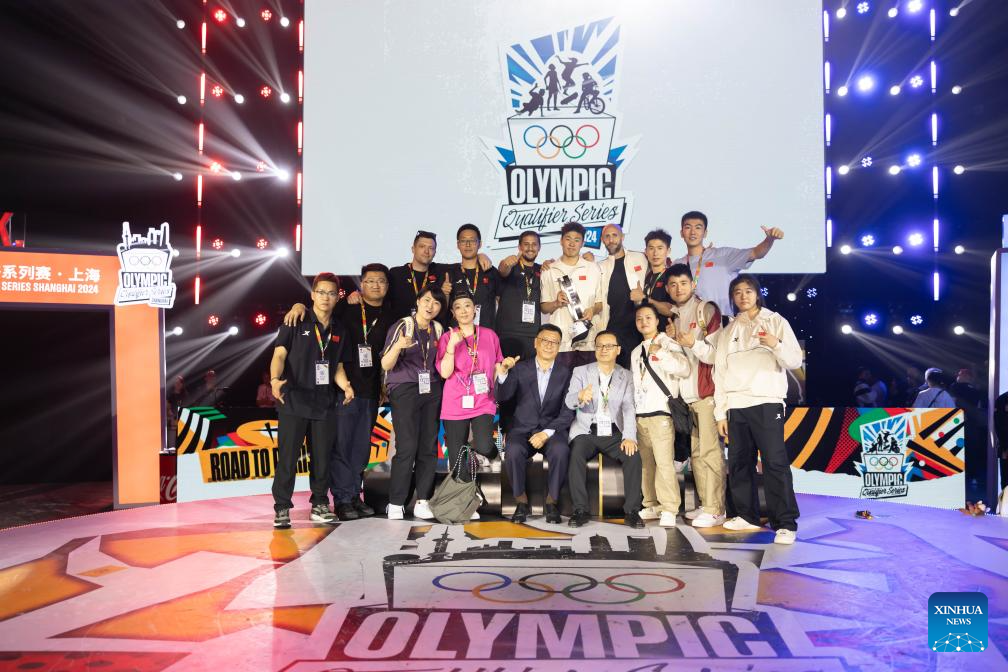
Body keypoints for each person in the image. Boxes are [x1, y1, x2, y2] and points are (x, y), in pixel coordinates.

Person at [283, 263, 394, 520]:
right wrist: (299, 306)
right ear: (361, 284)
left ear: (388, 286)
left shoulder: (390, 315)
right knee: (342, 446)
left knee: (361, 449)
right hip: (343, 389)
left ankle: (354, 495)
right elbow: (319, 309)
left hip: (370, 391)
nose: (375, 285)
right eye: (370, 280)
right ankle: (342, 499)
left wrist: (382, 386)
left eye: (381, 281)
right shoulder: (346, 307)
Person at [713, 274, 803, 545]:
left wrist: (775, 344)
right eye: (738, 292)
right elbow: (719, 372)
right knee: (739, 463)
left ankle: (785, 523)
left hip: (766, 401)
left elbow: (794, 360)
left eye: (748, 291)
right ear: (732, 297)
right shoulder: (728, 330)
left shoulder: (775, 321)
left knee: (775, 463)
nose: (743, 296)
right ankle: (746, 515)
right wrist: (721, 412)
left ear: (757, 293)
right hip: (736, 405)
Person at [269, 273, 354, 528]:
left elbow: (337, 366)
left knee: (322, 459)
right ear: (313, 295)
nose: (326, 297)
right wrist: (274, 379)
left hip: (324, 403)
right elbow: (279, 355)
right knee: (288, 458)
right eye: (321, 292)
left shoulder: (340, 330)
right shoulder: (296, 320)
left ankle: (319, 504)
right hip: (293, 400)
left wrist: (346, 386)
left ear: (337, 297)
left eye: (331, 293)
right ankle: (282, 507)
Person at [665, 263, 728, 529]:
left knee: (711, 453)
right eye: (673, 284)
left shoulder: (706, 310)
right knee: (698, 454)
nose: (678, 288)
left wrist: (692, 343)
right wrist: (673, 341)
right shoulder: (676, 316)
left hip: (707, 394)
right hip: (689, 397)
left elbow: (716, 355)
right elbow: (684, 360)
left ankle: (716, 509)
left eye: (683, 283)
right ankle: (706, 503)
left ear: (692, 284)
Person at [436, 290, 505, 519]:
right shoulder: (448, 337)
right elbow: (445, 373)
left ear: (475, 309)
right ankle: (469, 500)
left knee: (484, 444)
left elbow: (497, 364)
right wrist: (451, 347)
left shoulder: (489, 335)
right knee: (457, 457)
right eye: (458, 307)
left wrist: (502, 372)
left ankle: (492, 455)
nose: (464, 311)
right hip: (455, 400)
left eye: (468, 305)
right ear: (453, 313)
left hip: (483, 398)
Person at [496, 324, 575, 524]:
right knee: (513, 450)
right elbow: (504, 397)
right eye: (545, 340)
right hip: (522, 428)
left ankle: (552, 503)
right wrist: (503, 373)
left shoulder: (566, 373)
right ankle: (521, 502)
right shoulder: (520, 368)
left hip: (551, 429)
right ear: (535, 343)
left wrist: (546, 433)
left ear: (559, 346)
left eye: (554, 342)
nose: (549, 345)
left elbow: (568, 411)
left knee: (560, 451)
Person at [565, 330, 644, 528]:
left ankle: (632, 511)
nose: (603, 349)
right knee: (575, 454)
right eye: (599, 345)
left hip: (614, 431)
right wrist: (580, 397)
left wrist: (629, 436)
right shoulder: (581, 371)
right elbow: (569, 400)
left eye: (609, 346)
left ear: (618, 350)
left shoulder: (626, 375)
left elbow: (628, 407)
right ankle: (580, 510)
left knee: (633, 456)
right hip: (586, 430)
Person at [381, 285, 446, 520]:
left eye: (436, 303)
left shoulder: (438, 329)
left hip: (432, 388)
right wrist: (398, 346)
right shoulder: (403, 326)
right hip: (405, 388)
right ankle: (396, 502)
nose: (431, 306)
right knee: (407, 445)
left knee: (428, 446)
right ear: (418, 301)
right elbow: (386, 364)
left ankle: (423, 500)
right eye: (427, 300)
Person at [630, 304, 689, 527]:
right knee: (646, 464)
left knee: (664, 462)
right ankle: (651, 503)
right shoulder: (636, 351)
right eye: (639, 318)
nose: (643, 322)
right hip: (640, 413)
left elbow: (684, 369)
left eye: (648, 317)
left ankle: (670, 507)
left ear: (657, 321)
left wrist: (661, 353)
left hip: (661, 412)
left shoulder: (668, 343)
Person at [673, 210, 785, 318]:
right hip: (689, 325)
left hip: (722, 324)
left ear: (705, 233)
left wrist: (769, 239)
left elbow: (756, 253)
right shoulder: (677, 264)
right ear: (682, 233)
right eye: (688, 227)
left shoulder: (723, 256)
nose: (693, 232)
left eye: (698, 227)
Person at [540, 221, 604, 369]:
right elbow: (544, 307)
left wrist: (592, 310)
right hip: (561, 341)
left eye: (577, 240)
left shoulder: (593, 268)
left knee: (587, 381)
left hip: (587, 340)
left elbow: (600, 303)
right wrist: (556, 303)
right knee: (561, 382)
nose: (572, 244)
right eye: (568, 239)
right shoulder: (550, 270)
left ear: (583, 243)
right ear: (561, 241)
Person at [597, 223, 648, 368]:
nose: (611, 239)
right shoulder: (600, 266)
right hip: (612, 329)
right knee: (615, 373)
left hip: (637, 328)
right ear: (602, 240)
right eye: (607, 236)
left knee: (639, 372)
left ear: (622, 237)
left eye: (615, 235)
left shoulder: (640, 258)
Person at [497, 230, 544, 360]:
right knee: (507, 371)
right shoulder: (511, 266)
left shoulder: (542, 270)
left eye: (534, 244)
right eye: (526, 244)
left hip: (533, 334)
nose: (530, 248)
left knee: (529, 372)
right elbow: (503, 270)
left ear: (539, 247)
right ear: (519, 247)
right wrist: (505, 263)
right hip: (509, 334)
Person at [445, 224, 501, 329]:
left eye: (472, 240)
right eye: (463, 241)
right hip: (458, 335)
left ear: (480, 244)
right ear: (458, 244)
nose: (468, 244)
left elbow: (502, 303)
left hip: (486, 334)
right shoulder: (449, 272)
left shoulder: (491, 272)